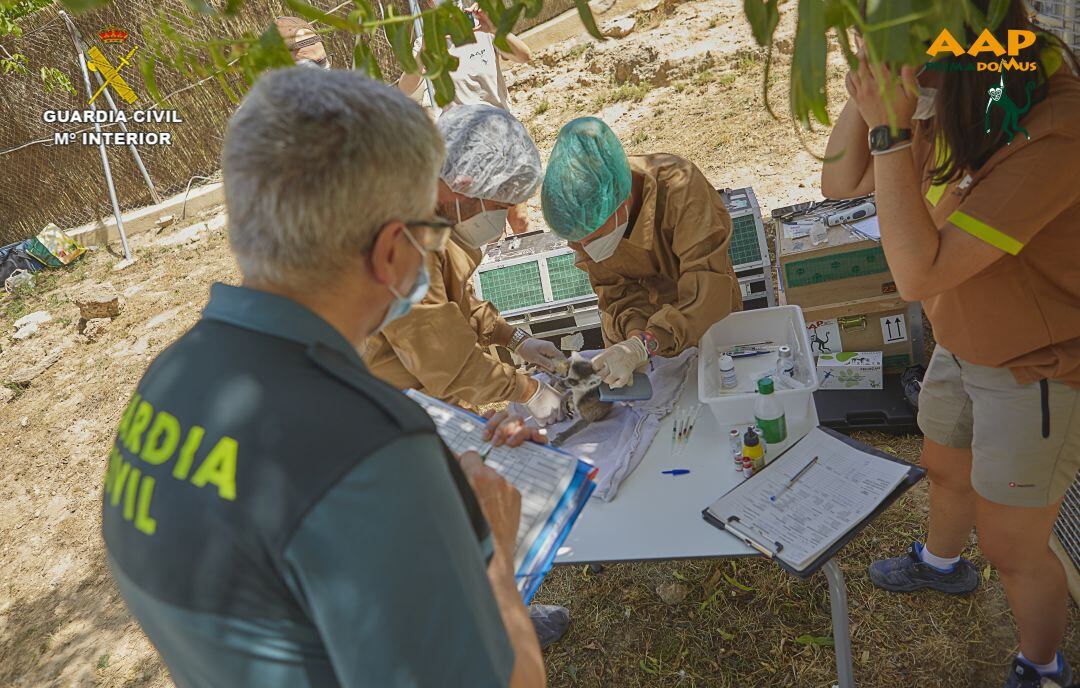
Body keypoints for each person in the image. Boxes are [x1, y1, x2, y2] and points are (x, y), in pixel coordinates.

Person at [101, 68, 548, 688]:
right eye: (428, 228)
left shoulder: (169, 379)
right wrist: (493, 555)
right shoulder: (375, 447)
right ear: (392, 250)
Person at [821, 3, 1079, 686]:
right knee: (942, 466)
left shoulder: (1054, 127)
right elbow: (839, 183)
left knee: (1013, 546)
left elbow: (917, 272)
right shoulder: (970, 92)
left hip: (1033, 366)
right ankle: (941, 564)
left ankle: (1043, 665)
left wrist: (890, 130)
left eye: (916, 69)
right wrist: (872, 88)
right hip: (962, 337)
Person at [363, 104, 568, 427]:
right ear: (465, 183)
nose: (500, 221)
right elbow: (443, 357)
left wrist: (514, 339)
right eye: (498, 206)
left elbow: (453, 299)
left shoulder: (432, 214)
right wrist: (528, 390)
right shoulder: (401, 237)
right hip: (373, 402)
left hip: (412, 389)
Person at [540, 117, 743, 388]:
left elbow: (706, 288)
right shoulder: (585, 215)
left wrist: (644, 344)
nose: (582, 249)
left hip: (700, 318)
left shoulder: (680, 189)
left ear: (623, 201)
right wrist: (633, 339)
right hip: (635, 338)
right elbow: (617, 292)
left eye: (592, 238)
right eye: (576, 241)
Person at [398, 2, 533, 235]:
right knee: (487, 226)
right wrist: (425, 51)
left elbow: (524, 56)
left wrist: (495, 29)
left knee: (519, 218)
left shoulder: (484, 30)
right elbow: (405, 88)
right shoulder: (425, 43)